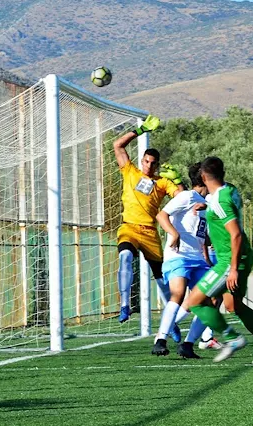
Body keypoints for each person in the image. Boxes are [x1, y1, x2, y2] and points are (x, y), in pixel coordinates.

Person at [186, 156, 253, 364]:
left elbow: (235, 234)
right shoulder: (229, 190)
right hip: (242, 257)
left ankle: (232, 338)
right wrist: (208, 208)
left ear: (203, 177)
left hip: (229, 260)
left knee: (194, 301)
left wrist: (232, 269)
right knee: (233, 305)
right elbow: (221, 205)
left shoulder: (220, 201)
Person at [112, 115, 183, 343]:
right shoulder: (130, 171)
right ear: (141, 160)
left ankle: (169, 322)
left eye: (153, 163)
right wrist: (140, 130)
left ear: (158, 165)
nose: (149, 165)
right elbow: (117, 145)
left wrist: (178, 179)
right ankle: (125, 305)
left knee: (162, 280)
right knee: (124, 257)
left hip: (150, 232)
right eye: (146, 161)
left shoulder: (162, 183)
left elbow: (184, 197)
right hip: (129, 228)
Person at [151, 162, 222, 358]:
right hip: (179, 255)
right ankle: (161, 340)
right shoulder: (187, 196)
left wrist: (210, 244)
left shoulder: (204, 202)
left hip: (197, 259)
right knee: (179, 293)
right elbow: (161, 215)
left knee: (208, 301)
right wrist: (174, 234)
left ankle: (188, 345)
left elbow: (200, 232)